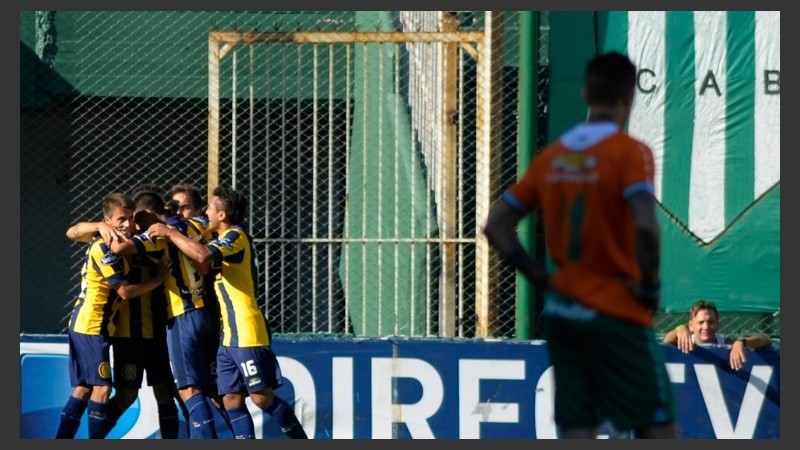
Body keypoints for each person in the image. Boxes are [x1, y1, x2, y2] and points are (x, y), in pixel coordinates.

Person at [482, 51, 677, 439]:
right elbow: (645, 225)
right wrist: (650, 287)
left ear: (585, 93)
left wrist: (544, 279)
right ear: (629, 98)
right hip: (616, 308)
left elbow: (497, 226)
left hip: (564, 312)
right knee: (657, 426)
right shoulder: (630, 153)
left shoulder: (550, 158)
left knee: (577, 428)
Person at [147, 185, 308, 439]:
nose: (205, 213)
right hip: (227, 334)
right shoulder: (220, 238)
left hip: (246, 330)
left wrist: (169, 232)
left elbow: (202, 256)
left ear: (222, 215)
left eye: (210, 209)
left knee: (261, 397)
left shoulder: (235, 237)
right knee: (230, 398)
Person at [56, 192, 169, 439]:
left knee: (85, 389)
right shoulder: (103, 246)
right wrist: (159, 279)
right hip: (91, 326)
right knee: (102, 388)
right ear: (107, 220)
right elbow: (125, 292)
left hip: (96, 327)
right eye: (121, 219)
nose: (127, 224)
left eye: (130, 219)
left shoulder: (118, 240)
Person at [663, 300, 772, 371]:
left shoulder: (726, 343)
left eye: (711, 322)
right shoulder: (685, 341)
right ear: (691, 325)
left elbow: (766, 341)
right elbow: (666, 341)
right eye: (701, 322)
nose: (706, 327)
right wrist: (679, 329)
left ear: (717, 325)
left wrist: (742, 342)